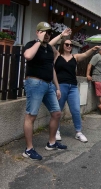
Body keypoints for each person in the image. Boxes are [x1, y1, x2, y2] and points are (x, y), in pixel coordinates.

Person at [22, 22, 70, 160]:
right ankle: (29, 149)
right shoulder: (32, 44)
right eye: (44, 32)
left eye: (49, 32)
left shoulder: (49, 49)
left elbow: (51, 68)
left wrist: (57, 87)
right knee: (31, 116)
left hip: (49, 85)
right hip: (35, 83)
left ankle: (52, 142)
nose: (47, 34)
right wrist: (38, 40)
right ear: (38, 32)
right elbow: (28, 56)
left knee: (56, 113)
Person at [52, 38, 100, 143]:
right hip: (60, 86)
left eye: (71, 45)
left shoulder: (75, 57)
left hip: (73, 87)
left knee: (76, 110)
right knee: (58, 111)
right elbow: (50, 45)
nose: (69, 46)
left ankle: (78, 132)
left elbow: (86, 54)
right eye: (67, 44)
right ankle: (56, 131)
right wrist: (61, 35)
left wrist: (93, 49)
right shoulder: (57, 55)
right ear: (62, 45)